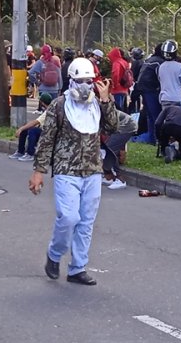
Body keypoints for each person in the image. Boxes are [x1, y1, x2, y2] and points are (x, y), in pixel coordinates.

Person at [28, 57, 117, 286]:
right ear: (72, 81)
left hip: (92, 170)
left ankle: (78, 268)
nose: (86, 86)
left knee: (86, 221)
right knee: (69, 217)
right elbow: (47, 140)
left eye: (89, 81)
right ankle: (55, 254)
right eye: (81, 81)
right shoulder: (59, 105)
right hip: (66, 170)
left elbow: (112, 127)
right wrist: (39, 171)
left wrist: (106, 100)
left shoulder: (98, 104)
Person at [12, 93, 54, 162]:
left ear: (42, 103)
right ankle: (20, 152)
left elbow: (35, 122)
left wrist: (21, 128)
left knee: (32, 130)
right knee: (26, 129)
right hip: (46, 130)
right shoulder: (48, 110)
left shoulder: (49, 111)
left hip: (49, 133)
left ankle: (30, 154)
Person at [157, 39, 181, 108]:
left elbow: (160, 80)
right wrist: (177, 86)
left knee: (167, 117)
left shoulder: (161, 66)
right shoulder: (180, 66)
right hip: (177, 98)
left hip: (164, 98)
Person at [107, 47, 132, 111]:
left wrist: (114, 85)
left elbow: (115, 74)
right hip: (124, 88)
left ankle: (118, 120)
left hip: (117, 89)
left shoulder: (116, 63)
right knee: (122, 107)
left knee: (117, 108)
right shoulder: (124, 62)